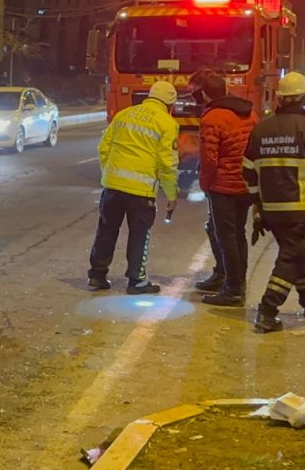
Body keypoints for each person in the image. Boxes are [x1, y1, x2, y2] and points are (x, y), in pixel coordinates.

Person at [242, 72, 305, 333]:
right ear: (304, 97)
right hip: (302, 209)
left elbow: (248, 170)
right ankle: (267, 310)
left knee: (294, 253)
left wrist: (256, 203)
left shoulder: (261, 129)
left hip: (271, 210)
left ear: (280, 98)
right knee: (291, 257)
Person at [87, 81, 180, 294]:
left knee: (106, 229)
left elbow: (104, 147)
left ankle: (97, 275)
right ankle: (137, 280)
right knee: (139, 233)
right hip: (140, 190)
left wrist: (109, 174)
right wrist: (171, 194)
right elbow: (167, 163)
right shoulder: (167, 123)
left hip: (112, 187)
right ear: (170, 104)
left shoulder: (124, 114)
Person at [189, 70, 257, 306]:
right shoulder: (249, 113)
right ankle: (231, 279)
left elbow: (209, 159)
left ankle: (233, 288)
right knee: (237, 234)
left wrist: (205, 184)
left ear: (206, 94)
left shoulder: (213, 118)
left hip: (224, 187)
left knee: (225, 235)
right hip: (245, 184)